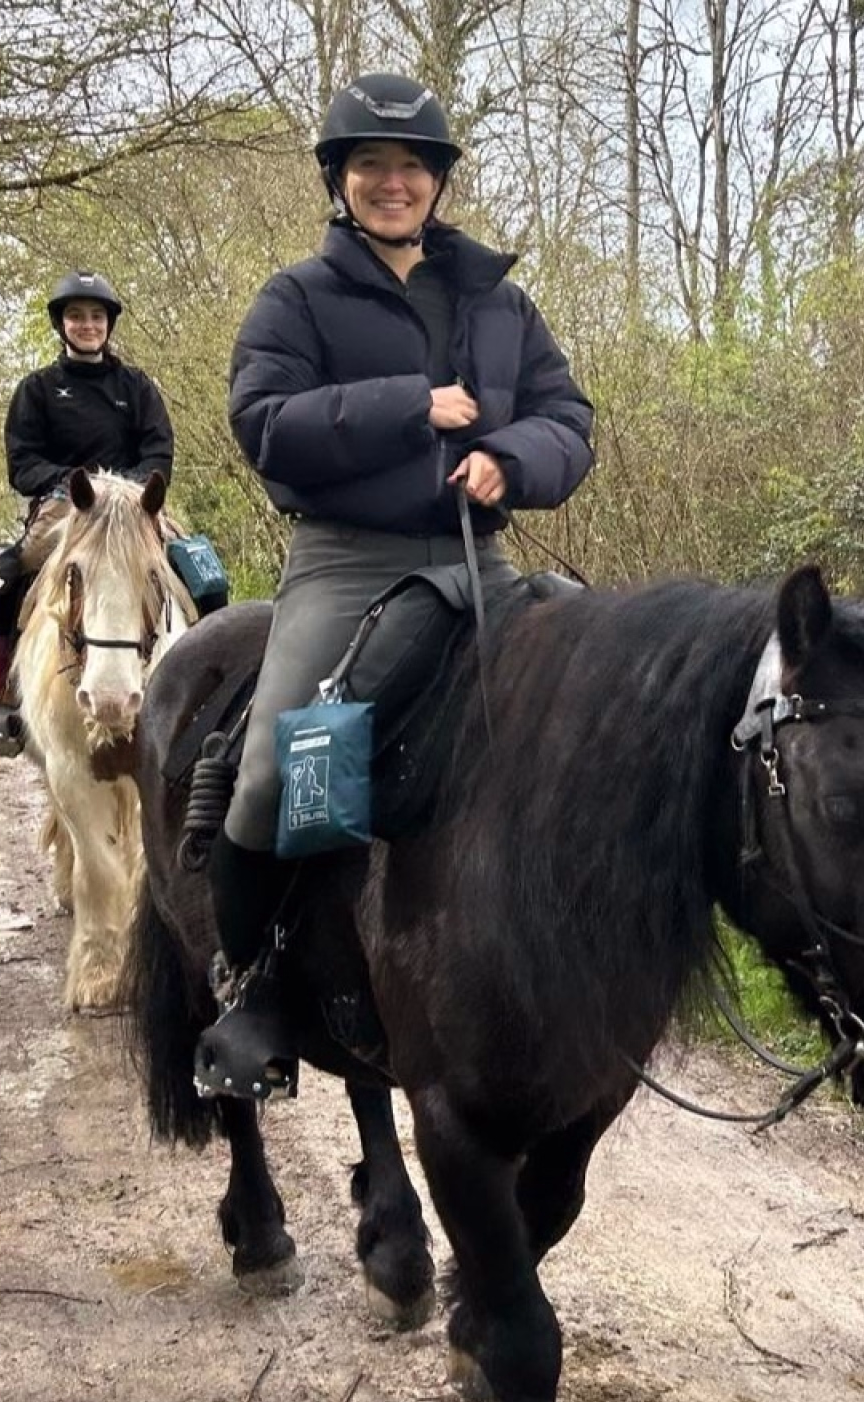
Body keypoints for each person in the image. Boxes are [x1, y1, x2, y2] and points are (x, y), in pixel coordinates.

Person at [212, 72, 596, 1096]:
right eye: (372, 165)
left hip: (481, 563)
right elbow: (264, 424)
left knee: (588, 733)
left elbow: (569, 421)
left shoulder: (501, 303)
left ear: (437, 181)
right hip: (348, 562)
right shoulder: (296, 298)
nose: (394, 183)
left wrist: (510, 457)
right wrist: (412, 405)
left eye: (412, 166)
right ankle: (250, 991)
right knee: (270, 774)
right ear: (339, 180)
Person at [0, 270, 176, 755]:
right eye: (77, 316)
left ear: (109, 324)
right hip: (66, 504)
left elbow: (158, 451)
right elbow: (23, 462)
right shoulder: (37, 389)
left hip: (133, 506)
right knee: (2, 577)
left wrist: (125, 487)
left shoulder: (136, 387)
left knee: (204, 573)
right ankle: (5, 702)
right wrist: (71, 482)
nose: (88, 325)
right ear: (61, 325)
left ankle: (218, 696)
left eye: (96, 316)